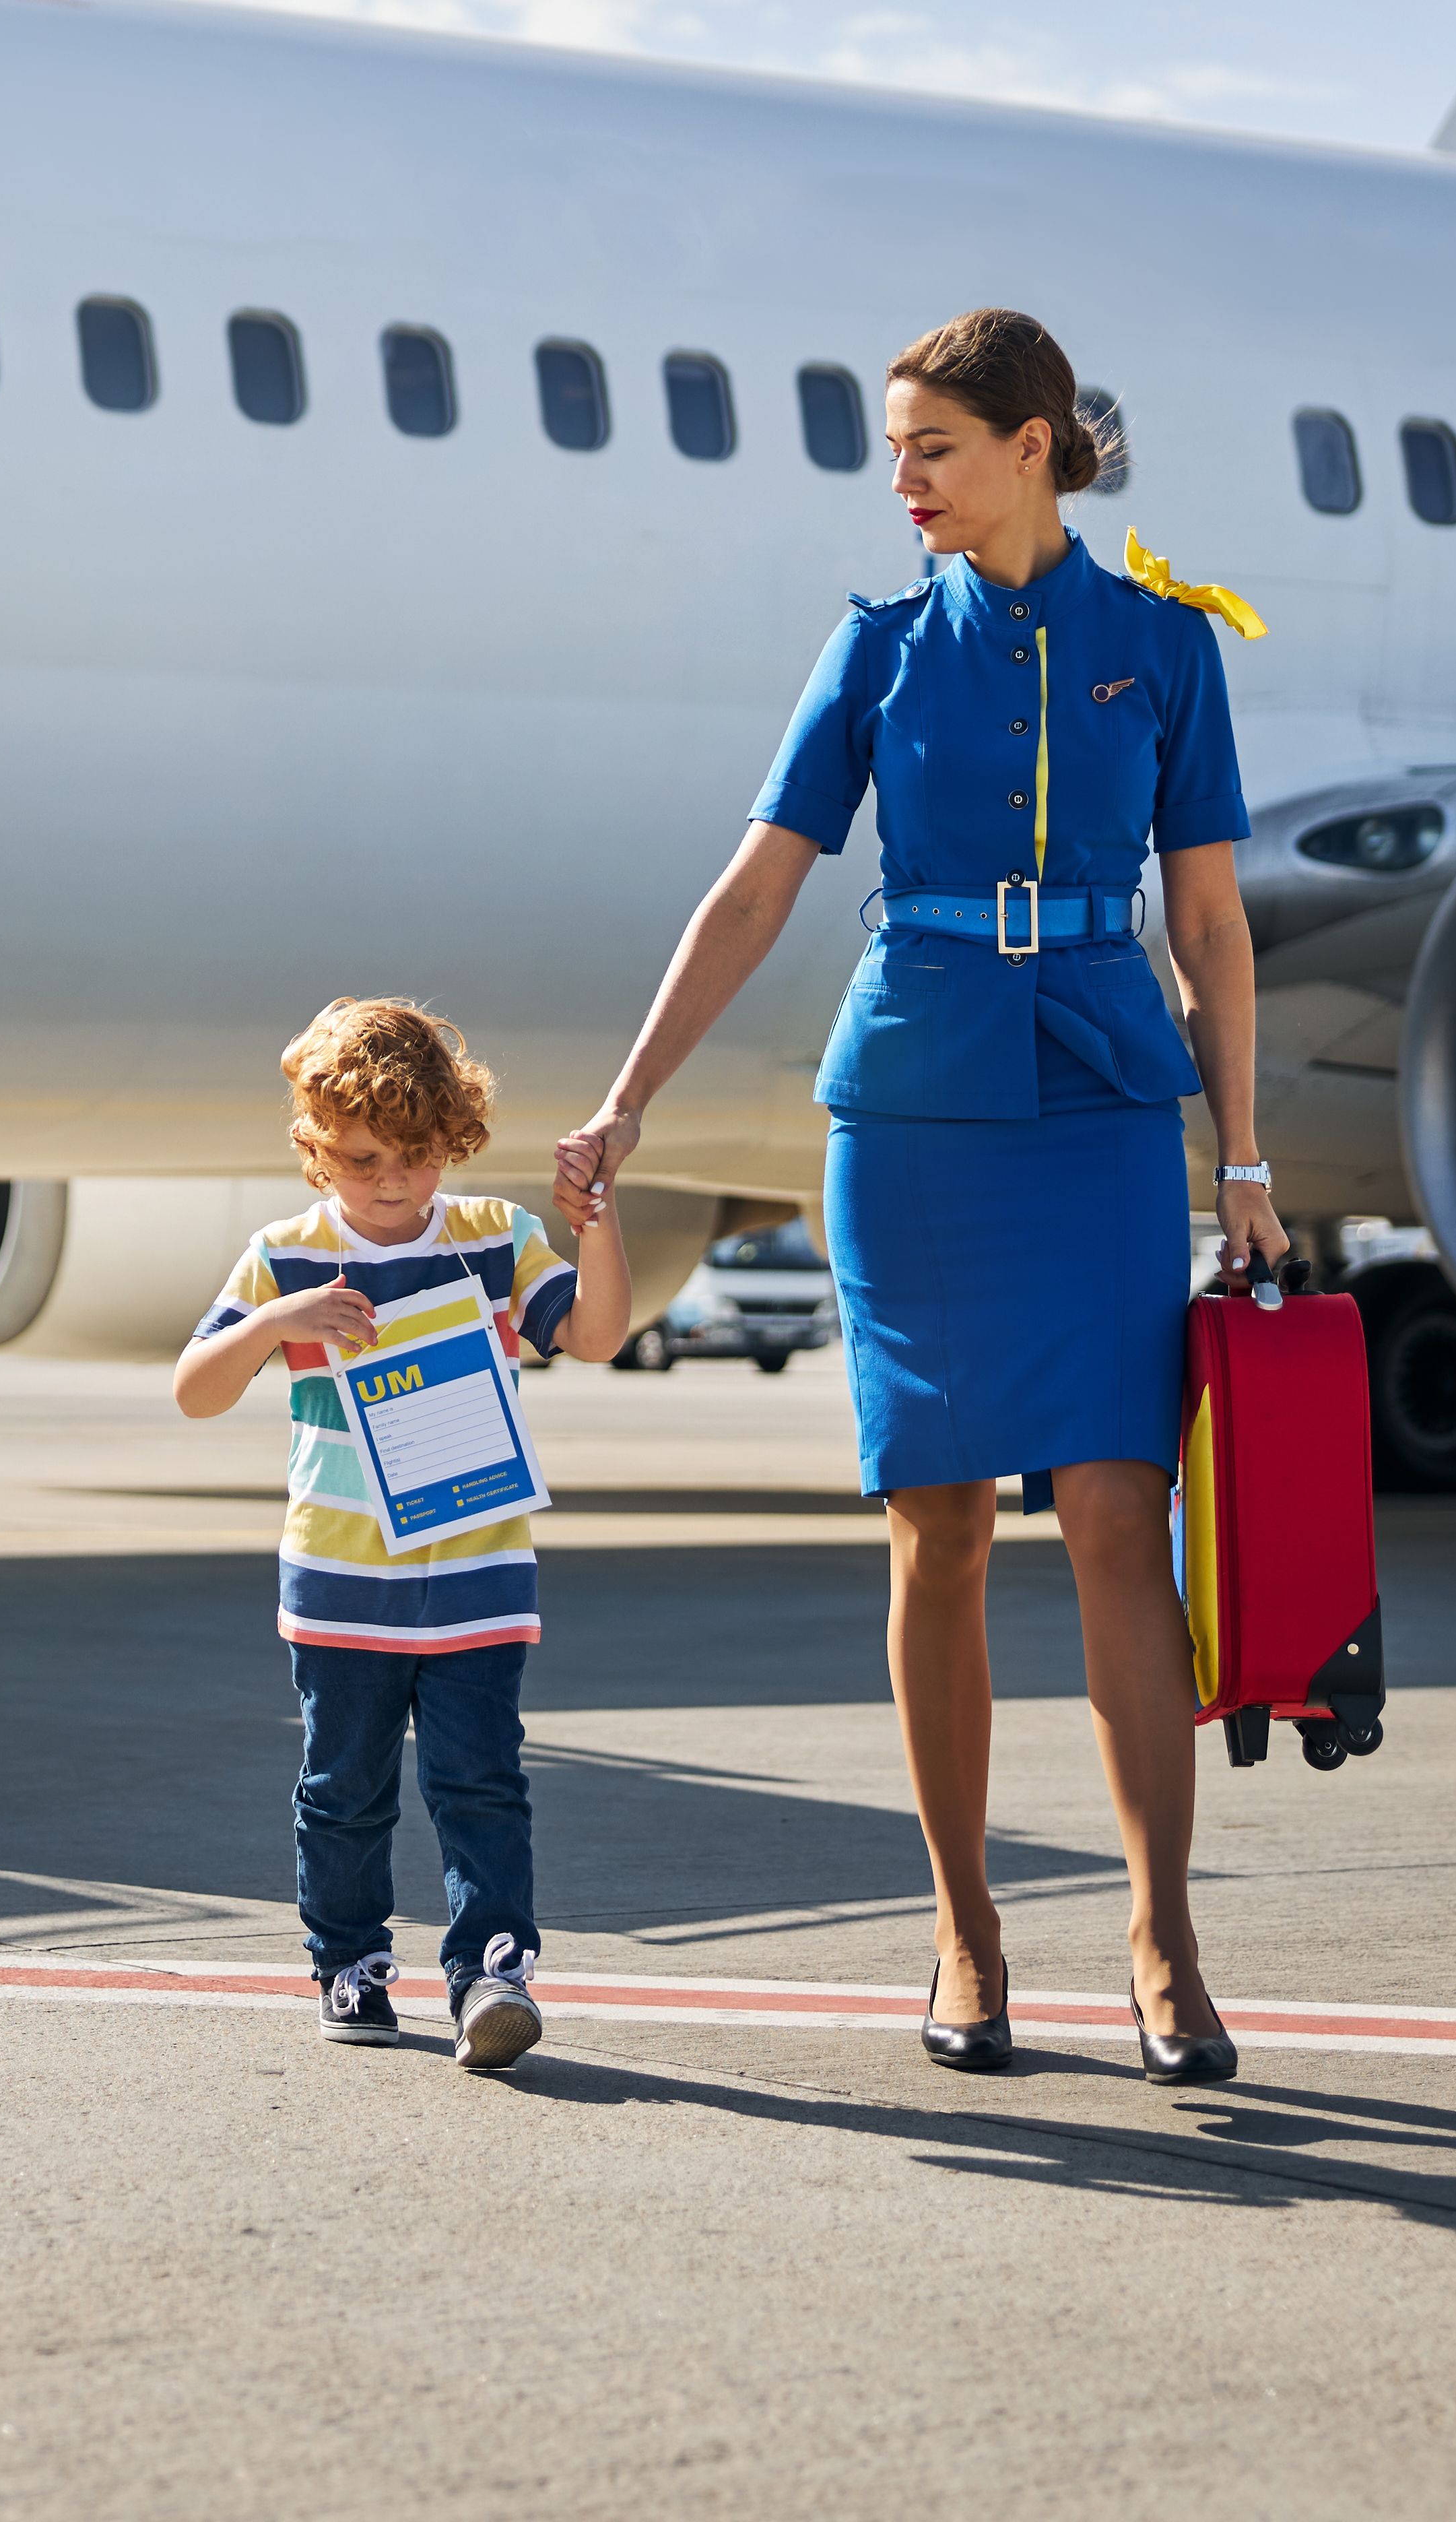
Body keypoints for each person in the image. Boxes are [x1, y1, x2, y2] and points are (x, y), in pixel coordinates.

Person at [551, 307, 1288, 2089]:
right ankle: (965, 1926)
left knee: (1121, 1511)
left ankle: (1165, 1936)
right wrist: (626, 1099)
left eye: (934, 450)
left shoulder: (1166, 651)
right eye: (894, 453)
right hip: (913, 1118)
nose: (905, 485)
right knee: (937, 1526)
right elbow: (754, 891)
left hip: (1105, 1108)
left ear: (1035, 446)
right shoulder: (876, 651)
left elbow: (1206, 925)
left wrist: (1245, 1158)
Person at [176, 998, 630, 2071]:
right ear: (316, 1149)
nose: (393, 1183)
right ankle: (350, 1961)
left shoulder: (494, 1241)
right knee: (344, 1790)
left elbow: (600, 1335)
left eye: (421, 1157)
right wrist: (277, 1325)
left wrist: (595, 1221)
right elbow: (196, 1392)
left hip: (478, 1572)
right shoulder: (284, 1257)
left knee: (483, 1785)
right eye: (367, 1158)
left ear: (456, 1145)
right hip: (341, 1581)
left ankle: (492, 1973)